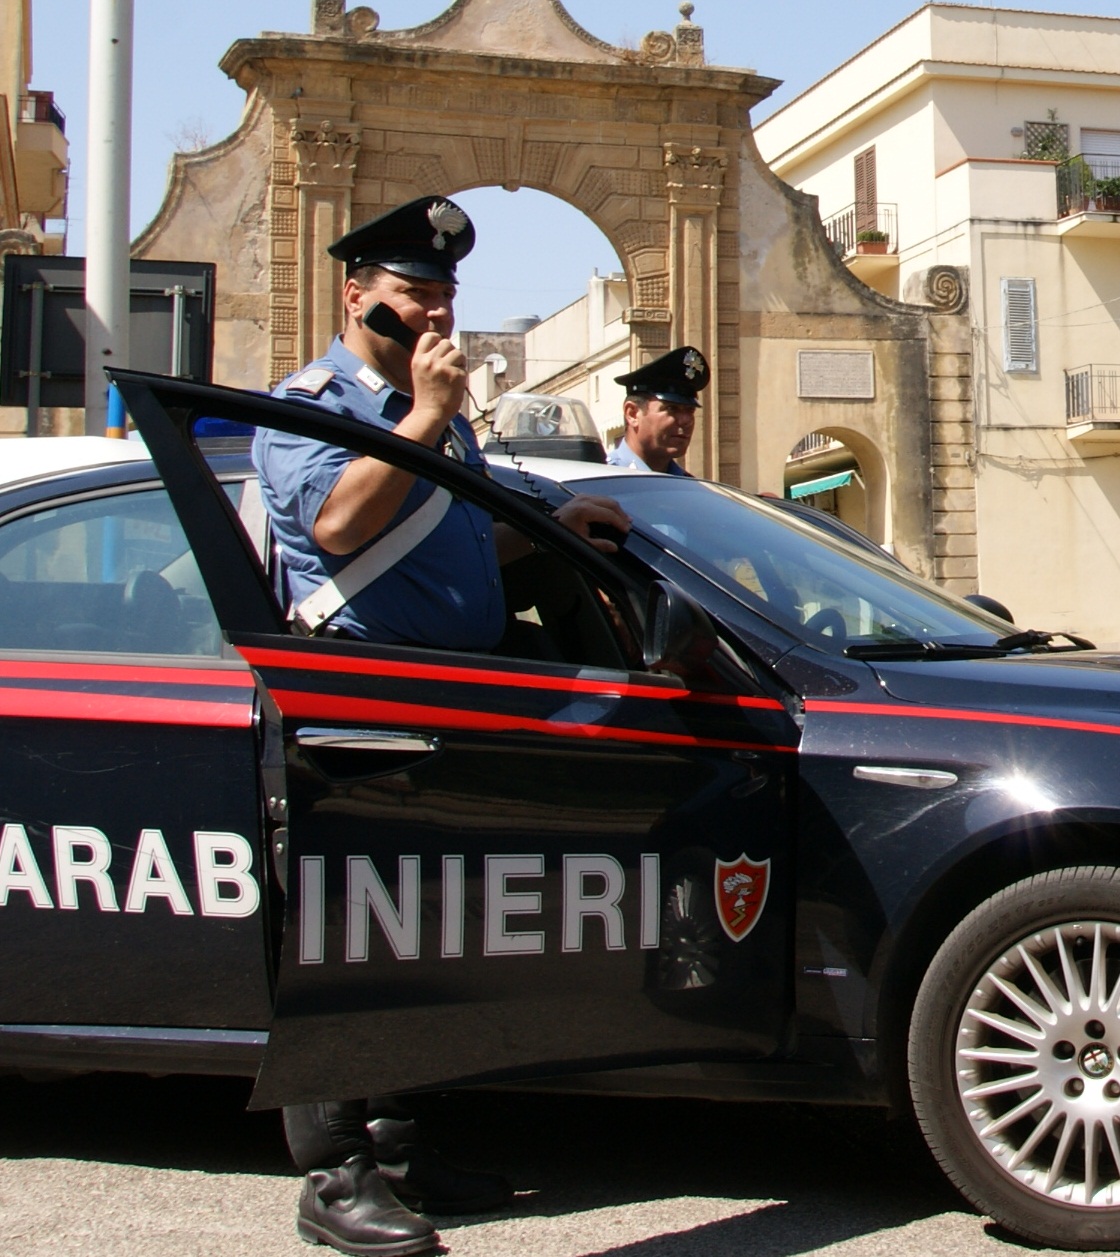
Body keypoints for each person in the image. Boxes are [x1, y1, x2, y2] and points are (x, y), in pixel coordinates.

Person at [253, 195, 629, 1256]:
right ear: (355, 294)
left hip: (449, 703)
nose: (431, 314)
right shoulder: (310, 405)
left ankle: (405, 1149)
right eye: (413, 293)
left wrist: (553, 530)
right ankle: (333, 1174)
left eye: (444, 296)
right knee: (342, 937)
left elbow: (455, 552)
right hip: (354, 704)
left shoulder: (447, 417)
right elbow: (338, 528)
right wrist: (421, 419)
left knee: (419, 935)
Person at [605, 345, 708, 475]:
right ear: (632, 414)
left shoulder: (689, 488)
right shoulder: (601, 481)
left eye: (690, 411)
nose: (686, 420)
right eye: (671, 408)